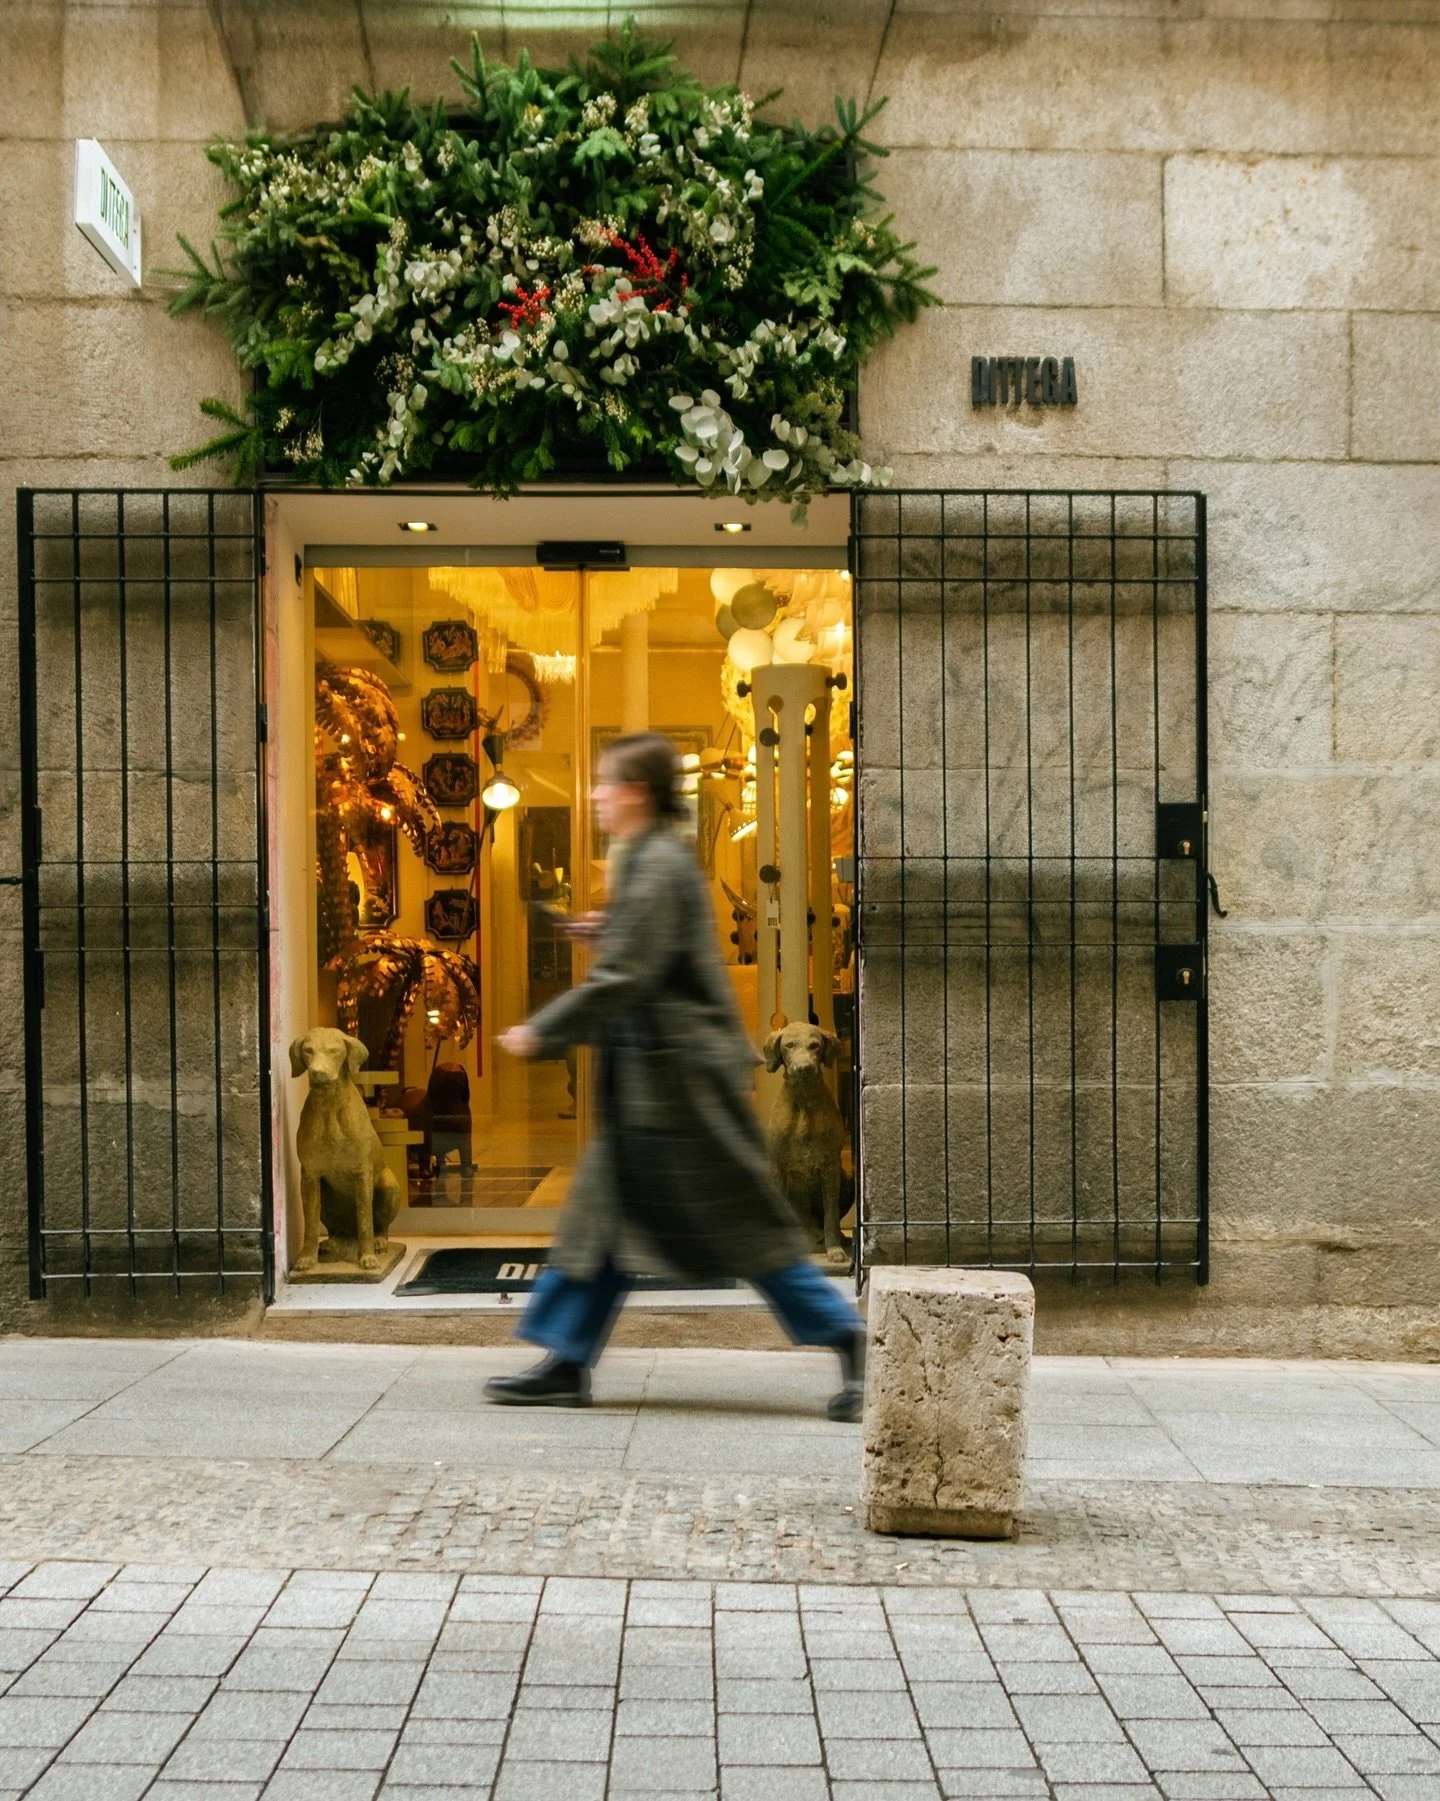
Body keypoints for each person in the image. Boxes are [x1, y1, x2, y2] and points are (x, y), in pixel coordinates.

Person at [488, 732, 866, 1421]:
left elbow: (627, 978)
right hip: (654, 1090)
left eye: (606, 783)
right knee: (601, 1219)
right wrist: (606, 929)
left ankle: (850, 1339)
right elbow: (646, 955)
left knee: (747, 1229)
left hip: (681, 1094)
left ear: (636, 792)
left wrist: (546, 1028)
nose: (597, 794)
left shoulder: (659, 863)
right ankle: (566, 1360)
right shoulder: (648, 859)